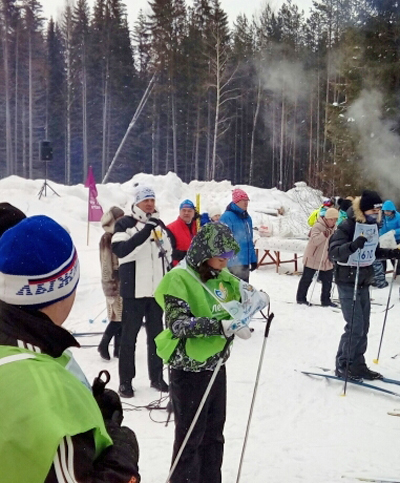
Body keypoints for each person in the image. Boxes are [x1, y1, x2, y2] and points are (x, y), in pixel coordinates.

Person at [0, 215, 140, 482]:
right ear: (65, 287)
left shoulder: (30, 349)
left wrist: (86, 407)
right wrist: (122, 459)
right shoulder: (47, 388)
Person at [154, 222, 269, 483]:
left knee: (214, 435)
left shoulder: (221, 274)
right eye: (221, 257)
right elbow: (178, 324)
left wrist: (256, 299)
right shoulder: (178, 278)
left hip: (216, 364)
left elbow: (241, 291)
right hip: (189, 369)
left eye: (229, 257)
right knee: (191, 437)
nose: (226, 262)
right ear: (205, 253)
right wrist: (220, 326)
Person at [329, 190, 400, 381]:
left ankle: (357, 364)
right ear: (363, 210)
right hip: (347, 280)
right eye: (373, 211)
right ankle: (343, 364)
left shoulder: (372, 227)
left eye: (378, 212)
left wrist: (391, 253)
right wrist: (352, 246)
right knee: (355, 326)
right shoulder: (348, 226)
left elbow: (372, 251)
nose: (376, 215)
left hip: (363, 280)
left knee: (364, 325)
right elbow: (334, 252)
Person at [112, 184, 171, 398]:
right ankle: (125, 382)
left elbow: (169, 253)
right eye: (145, 200)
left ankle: (156, 377)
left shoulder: (159, 224)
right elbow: (120, 250)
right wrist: (146, 231)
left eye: (152, 200)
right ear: (136, 202)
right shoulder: (124, 224)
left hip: (156, 292)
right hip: (134, 291)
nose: (149, 204)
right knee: (129, 338)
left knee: (156, 337)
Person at [296, 207, 339, 307]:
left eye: (335, 219)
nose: (333, 222)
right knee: (307, 278)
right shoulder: (318, 226)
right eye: (331, 219)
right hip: (313, 256)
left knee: (327, 280)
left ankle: (326, 300)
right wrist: (324, 234)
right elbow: (314, 240)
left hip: (326, 258)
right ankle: (301, 298)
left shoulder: (335, 228)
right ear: (327, 218)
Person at [97, 206, 124, 361]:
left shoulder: (119, 235)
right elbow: (106, 264)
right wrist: (109, 284)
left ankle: (118, 349)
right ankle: (103, 344)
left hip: (122, 281)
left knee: (122, 318)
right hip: (114, 282)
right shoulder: (108, 237)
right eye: (120, 217)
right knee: (116, 318)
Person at [219, 188, 257, 282]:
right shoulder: (227, 217)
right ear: (236, 202)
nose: (246, 203)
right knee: (233, 292)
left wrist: (253, 259)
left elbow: (249, 241)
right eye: (243, 200)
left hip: (244, 263)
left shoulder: (247, 218)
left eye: (247, 200)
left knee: (244, 291)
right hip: (232, 264)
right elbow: (223, 241)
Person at [167, 199, 198, 266]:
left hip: (195, 266)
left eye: (189, 211)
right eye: (184, 210)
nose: (186, 213)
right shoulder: (171, 228)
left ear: (194, 213)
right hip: (178, 267)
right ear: (179, 211)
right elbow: (169, 251)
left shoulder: (198, 225)